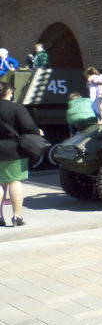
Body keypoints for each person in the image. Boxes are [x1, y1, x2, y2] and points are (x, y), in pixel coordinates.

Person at [0, 78, 40, 227]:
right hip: (14, 150)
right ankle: (17, 217)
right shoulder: (16, 108)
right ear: (8, 91)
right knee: (15, 181)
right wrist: (38, 131)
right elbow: (29, 127)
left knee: (1, 183)